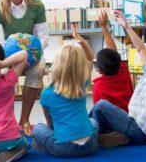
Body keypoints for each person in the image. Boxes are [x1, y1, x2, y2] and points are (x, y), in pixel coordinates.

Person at [0, 0, 49, 136]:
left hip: (33, 55)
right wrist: (15, 61)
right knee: (2, 72)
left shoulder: (37, 5)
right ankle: (5, 121)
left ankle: (24, 120)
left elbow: (43, 38)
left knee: (37, 71)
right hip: (6, 56)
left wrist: (30, 56)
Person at [90, 11, 146, 147]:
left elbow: (140, 48)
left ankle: (91, 138)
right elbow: (114, 52)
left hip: (137, 128)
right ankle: (118, 135)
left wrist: (127, 26)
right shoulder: (123, 71)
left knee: (99, 107)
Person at [32, 24, 98, 157]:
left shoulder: (46, 94)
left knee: (38, 128)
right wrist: (78, 38)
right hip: (90, 145)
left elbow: (50, 125)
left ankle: (45, 147)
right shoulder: (82, 83)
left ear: (56, 65)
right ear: (80, 66)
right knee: (93, 122)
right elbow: (90, 57)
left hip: (64, 148)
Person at [93, 10, 133, 112]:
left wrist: (103, 26)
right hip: (130, 119)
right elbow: (113, 51)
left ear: (100, 70)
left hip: (111, 126)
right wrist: (104, 27)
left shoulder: (99, 87)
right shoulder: (124, 73)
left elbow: (98, 112)